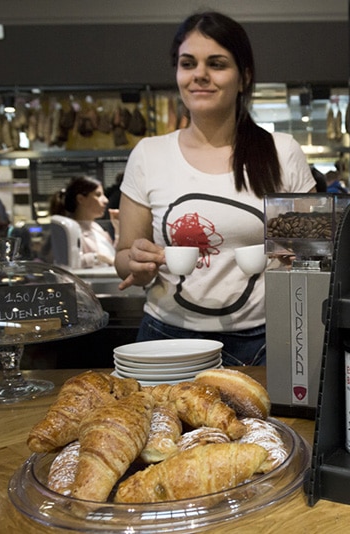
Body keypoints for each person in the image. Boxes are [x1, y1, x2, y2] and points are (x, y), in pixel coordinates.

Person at [115, 11, 316, 367]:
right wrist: (136, 262)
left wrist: (300, 256)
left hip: (264, 340)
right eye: (188, 63)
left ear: (244, 78)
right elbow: (124, 256)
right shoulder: (149, 154)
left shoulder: (282, 152)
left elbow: (315, 252)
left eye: (217, 63)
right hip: (167, 337)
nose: (200, 75)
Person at [48, 176, 117, 267]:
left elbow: (113, 257)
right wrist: (97, 257)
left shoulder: (97, 228)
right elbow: (67, 264)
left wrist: (118, 230)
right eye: (98, 195)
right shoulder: (69, 231)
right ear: (81, 199)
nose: (106, 200)